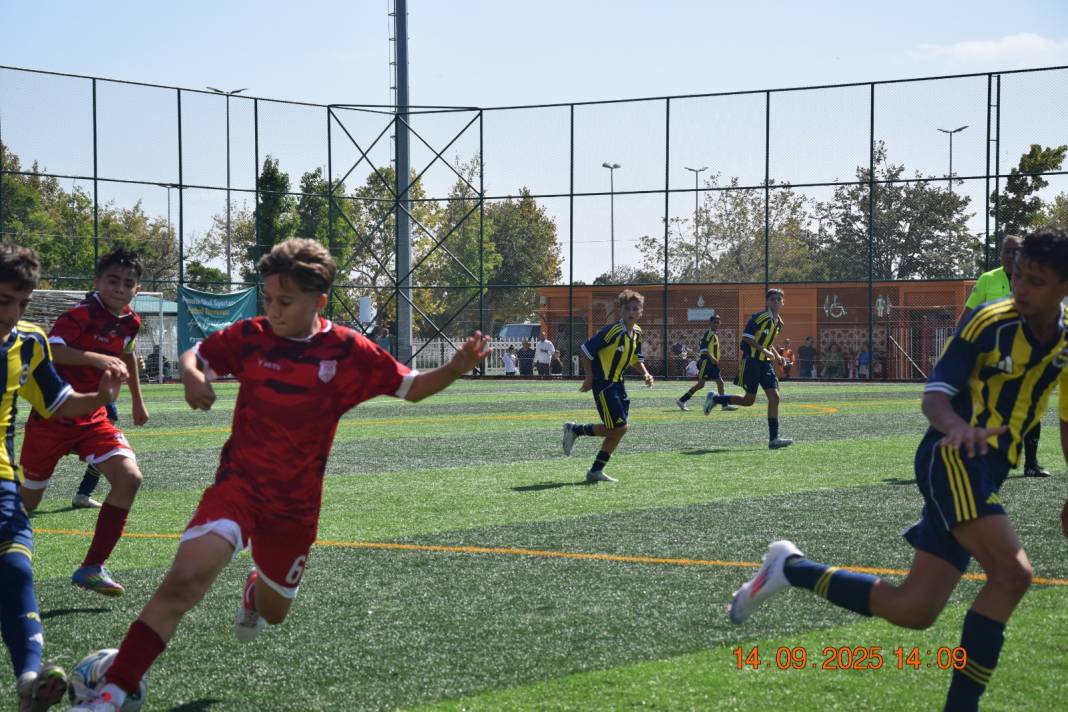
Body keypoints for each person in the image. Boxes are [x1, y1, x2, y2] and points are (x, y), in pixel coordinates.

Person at [67, 238, 491, 712]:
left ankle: (256, 589)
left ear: (319, 301)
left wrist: (454, 367)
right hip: (239, 487)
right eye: (268, 298)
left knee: (275, 612)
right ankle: (111, 692)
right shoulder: (252, 335)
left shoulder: (348, 351)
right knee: (185, 579)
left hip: (294, 508)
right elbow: (196, 355)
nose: (273, 309)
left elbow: (410, 388)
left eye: (284, 302)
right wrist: (192, 375)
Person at [726, 228, 1068, 712]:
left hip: (989, 470)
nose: (1021, 289)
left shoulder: (1065, 341)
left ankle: (791, 569)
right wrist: (956, 427)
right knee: (1012, 575)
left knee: (915, 610)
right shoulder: (989, 324)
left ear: (1064, 287)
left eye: (1036, 281)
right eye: (1018, 277)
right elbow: (934, 396)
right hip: (951, 458)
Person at [0, 243, 124, 712]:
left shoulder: (27, 343)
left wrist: (99, 396)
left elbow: (56, 402)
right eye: (3, 301)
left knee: (14, 566)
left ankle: (30, 681)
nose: (13, 313)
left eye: (22, 303)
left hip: (0, 476)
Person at [19, 247, 149, 598]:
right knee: (26, 503)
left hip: (94, 417)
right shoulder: (79, 315)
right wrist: (97, 359)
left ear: (136, 289)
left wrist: (137, 400)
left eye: (128, 283)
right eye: (113, 280)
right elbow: (54, 350)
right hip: (53, 417)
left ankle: (92, 567)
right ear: (97, 281)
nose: (120, 288)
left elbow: (127, 355)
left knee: (130, 478)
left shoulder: (131, 322)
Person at [958, 235, 1048, 478]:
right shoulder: (987, 279)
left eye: (1015, 251)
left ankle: (1031, 464)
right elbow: (967, 315)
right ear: (1000, 255)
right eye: (1006, 251)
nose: (1010, 255)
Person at [561, 289, 654, 483]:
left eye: (635, 308)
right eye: (628, 308)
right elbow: (586, 350)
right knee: (620, 427)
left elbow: (636, 358)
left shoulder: (637, 333)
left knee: (619, 429)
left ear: (641, 312)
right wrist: (589, 378)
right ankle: (576, 431)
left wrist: (645, 372)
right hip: (604, 384)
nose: (631, 312)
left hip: (619, 384)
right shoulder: (613, 331)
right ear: (621, 310)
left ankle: (595, 470)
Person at [704, 288, 793, 449]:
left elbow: (768, 343)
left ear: (783, 302)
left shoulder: (779, 322)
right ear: (767, 302)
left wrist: (778, 356)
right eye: (773, 299)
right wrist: (763, 350)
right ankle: (716, 399)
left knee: (775, 397)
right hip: (751, 362)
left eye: (779, 299)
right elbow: (747, 337)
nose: (776, 302)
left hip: (765, 364)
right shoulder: (760, 317)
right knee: (748, 400)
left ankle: (774, 439)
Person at [675, 312, 736, 412]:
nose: (717, 324)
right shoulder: (709, 333)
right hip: (706, 363)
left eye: (718, 322)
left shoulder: (714, 335)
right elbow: (703, 348)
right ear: (710, 323)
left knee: (720, 383)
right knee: (701, 384)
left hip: (713, 364)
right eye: (714, 322)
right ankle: (682, 401)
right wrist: (712, 357)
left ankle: (724, 405)